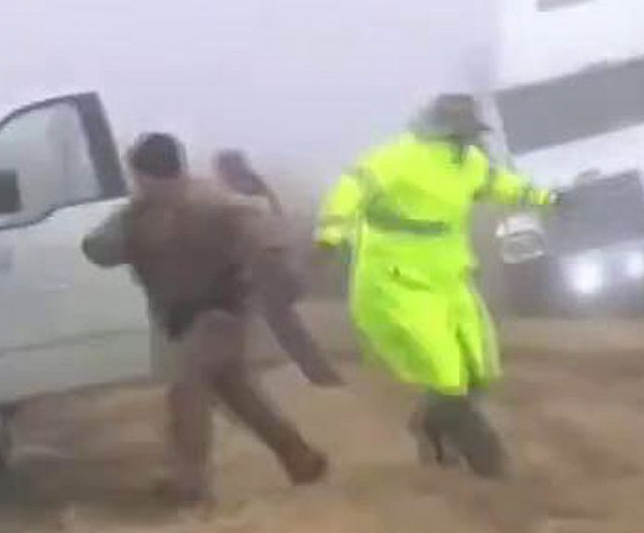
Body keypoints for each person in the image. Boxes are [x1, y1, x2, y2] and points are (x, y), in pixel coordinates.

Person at [316, 94, 559, 477]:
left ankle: (431, 425)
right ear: (445, 130)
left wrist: (548, 198)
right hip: (397, 277)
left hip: (450, 274)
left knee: (477, 367)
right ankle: (488, 462)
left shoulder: (470, 163)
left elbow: (501, 185)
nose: (471, 140)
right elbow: (352, 188)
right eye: (464, 133)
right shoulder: (397, 158)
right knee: (445, 371)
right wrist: (330, 234)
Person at [83, 133, 329, 506]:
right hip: (180, 318)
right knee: (237, 393)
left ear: (149, 175)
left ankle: (190, 483)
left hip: (220, 313)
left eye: (140, 177)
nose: (138, 185)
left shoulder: (210, 202)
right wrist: (130, 217)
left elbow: (269, 233)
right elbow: (96, 249)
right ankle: (300, 457)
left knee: (187, 387)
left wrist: (275, 269)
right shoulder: (139, 214)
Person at [210, 148, 343, 387]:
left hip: (263, 267)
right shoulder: (257, 189)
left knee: (276, 326)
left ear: (226, 170)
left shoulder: (243, 194)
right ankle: (320, 374)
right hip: (271, 265)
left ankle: (320, 375)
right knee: (273, 326)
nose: (218, 175)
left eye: (219, 170)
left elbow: (248, 235)